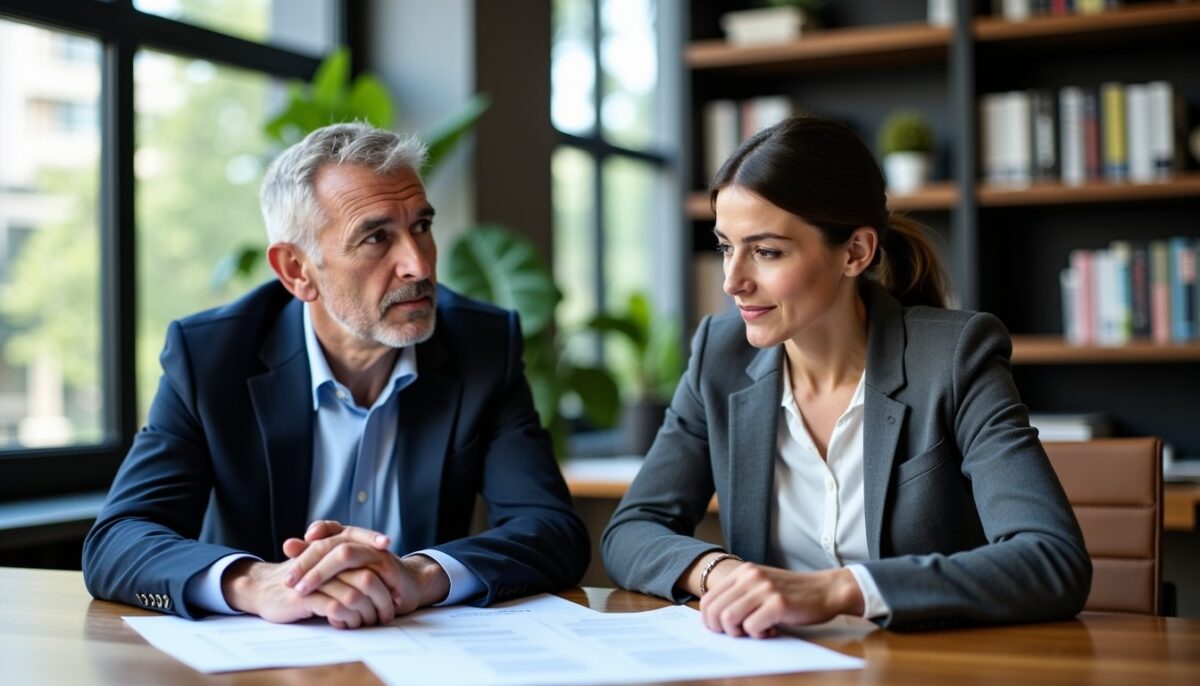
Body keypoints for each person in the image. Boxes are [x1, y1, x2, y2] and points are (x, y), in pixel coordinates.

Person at [83, 122, 589, 628]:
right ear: (297, 271)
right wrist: (259, 584)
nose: (418, 264)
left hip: (424, 652)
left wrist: (417, 575)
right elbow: (120, 538)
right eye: (376, 237)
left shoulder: (482, 345)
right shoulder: (212, 357)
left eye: (421, 226)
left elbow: (550, 530)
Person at [602, 115, 1091, 633]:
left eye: (765, 251)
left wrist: (840, 590)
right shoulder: (718, 359)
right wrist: (719, 574)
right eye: (727, 246)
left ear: (855, 252)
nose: (732, 281)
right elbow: (632, 529)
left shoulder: (953, 357)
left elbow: (1051, 559)